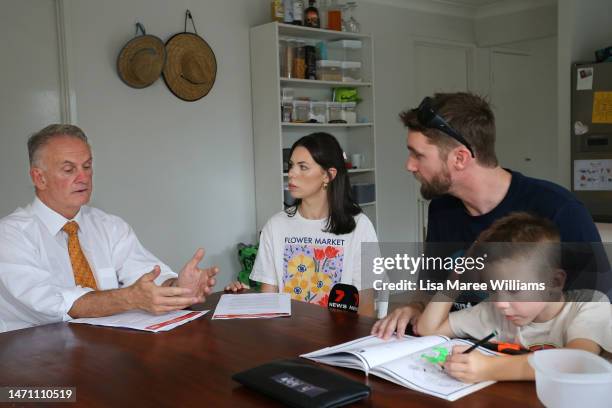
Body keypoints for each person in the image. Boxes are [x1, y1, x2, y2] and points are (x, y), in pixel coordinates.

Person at [372, 92, 607, 339]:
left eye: (418, 155)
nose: (409, 165)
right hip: (455, 351)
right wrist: (415, 307)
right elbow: (431, 288)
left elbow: (596, 312)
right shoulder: (442, 209)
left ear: (460, 158)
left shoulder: (560, 209)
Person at [0, 124, 218, 332]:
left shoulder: (109, 226)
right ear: (39, 178)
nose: (83, 177)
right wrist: (128, 298)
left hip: (106, 351)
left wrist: (177, 286)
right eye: (69, 169)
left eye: (87, 166)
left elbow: (146, 278)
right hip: (33, 358)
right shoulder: (10, 235)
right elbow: (50, 304)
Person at [416, 212, 612, 382]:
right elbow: (428, 328)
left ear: (554, 282)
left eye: (514, 290)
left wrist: (488, 368)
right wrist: (458, 276)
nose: (500, 303)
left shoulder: (590, 305)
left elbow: (575, 363)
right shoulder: (497, 311)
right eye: (492, 290)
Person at [226, 133, 378, 313]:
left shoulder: (360, 226)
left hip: (343, 337)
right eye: (291, 166)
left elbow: (367, 307)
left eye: (303, 167)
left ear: (328, 175)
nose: (291, 173)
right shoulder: (275, 226)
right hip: (288, 337)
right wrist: (244, 298)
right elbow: (269, 301)